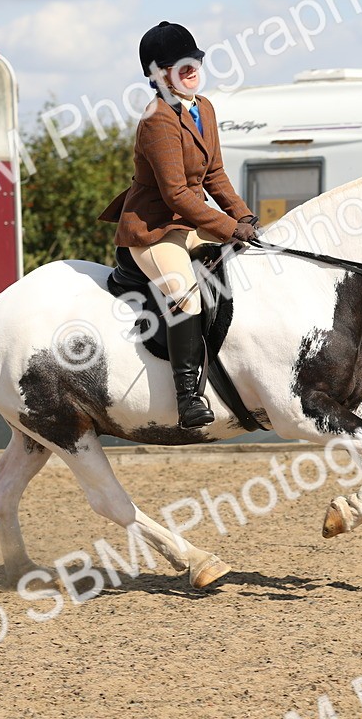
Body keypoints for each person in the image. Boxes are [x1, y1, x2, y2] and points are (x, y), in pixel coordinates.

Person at [99, 21, 259, 429]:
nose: (191, 69)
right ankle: (188, 398)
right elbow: (175, 195)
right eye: (179, 65)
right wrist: (226, 227)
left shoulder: (203, 107)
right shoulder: (157, 120)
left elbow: (215, 175)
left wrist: (242, 217)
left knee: (251, 262)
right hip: (154, 229)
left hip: (190, 222)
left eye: (194, 61)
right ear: (158, 75)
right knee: (186, 294)